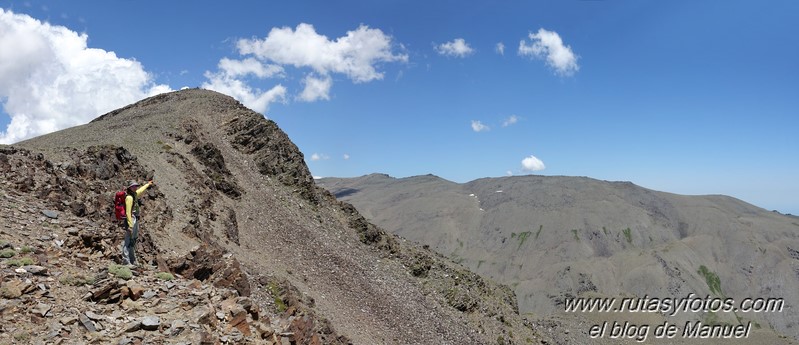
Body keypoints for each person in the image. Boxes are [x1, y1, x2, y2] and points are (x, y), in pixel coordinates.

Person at [122, 180, 154, 267]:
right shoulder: (129, 198)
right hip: (131, 219)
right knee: (128, 240)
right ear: (129, 188)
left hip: (135, 218)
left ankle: (132, 260)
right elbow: (128, 212)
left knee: (133, 239)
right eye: (133, 186)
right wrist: (130, 225)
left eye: (136, 186)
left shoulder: (134, 194)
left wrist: (147, 184)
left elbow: (140, 190)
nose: (135, 187)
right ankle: (126, 260)